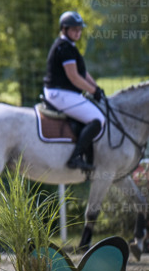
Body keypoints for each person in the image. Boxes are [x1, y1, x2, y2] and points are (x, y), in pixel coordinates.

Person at [43, 11, 105, 171]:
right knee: (98, 119)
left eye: (79, 29)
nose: (78, 32)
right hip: (59, 94)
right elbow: (74, 77)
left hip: (64, 93)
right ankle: (75, 157)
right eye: (74, 29)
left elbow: (82, 73)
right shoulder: (64, 48)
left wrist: (96, 88)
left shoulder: (70, 47)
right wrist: (93, 91)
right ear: (64, 29)